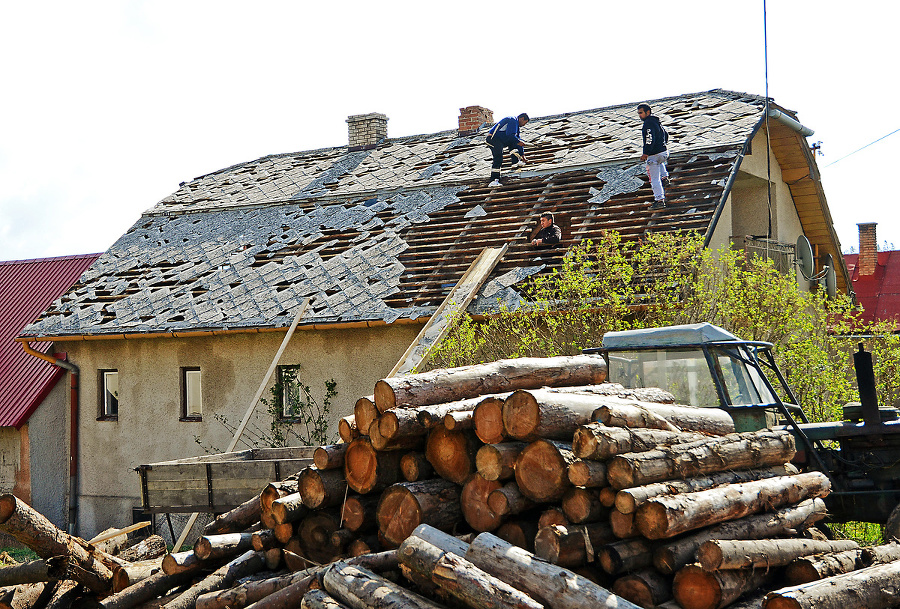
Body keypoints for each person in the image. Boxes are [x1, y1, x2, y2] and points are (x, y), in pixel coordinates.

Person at [637, 103, 670, 209]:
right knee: (659, 162)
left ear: (648, 112)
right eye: (638, 113)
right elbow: (666, 135)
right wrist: (662, 145)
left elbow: (649, 139)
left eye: (641, 113)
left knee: (654, 179)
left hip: (654, 154)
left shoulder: (648, 123)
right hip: (664, 153)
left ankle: (659, 200)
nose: (639, 115)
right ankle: (665, 178)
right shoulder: (657, 122)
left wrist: (646, 153)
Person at [486, 113, 529, 187]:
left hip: (501, 140)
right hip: (493, 139)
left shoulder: (516, 126)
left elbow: (517, 139)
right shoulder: (513, 120)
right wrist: (518, 142)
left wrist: (522, 155)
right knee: (498, 157)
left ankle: (515, 162)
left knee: (514, 142)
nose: (524, 125)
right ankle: (493, 180)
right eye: (525, 122)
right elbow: (510, 135)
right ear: (522, 118)